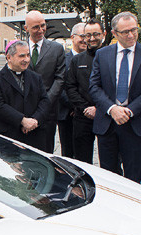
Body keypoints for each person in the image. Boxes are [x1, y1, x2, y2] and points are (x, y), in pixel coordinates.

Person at [89, 12, 141, 183]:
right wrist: (112, 109)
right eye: (125, 32)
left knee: (133, 175)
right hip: (107, 123)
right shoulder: (102, 54)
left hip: (134, 122)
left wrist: (129, 111)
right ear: (114, 33)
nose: (131, 35)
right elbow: (94, 86)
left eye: (134, 30)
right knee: (109, 176)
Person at [0, 40, 50, 149]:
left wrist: (34, 121)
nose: (26, 59)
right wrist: (22, 120)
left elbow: (45, 101)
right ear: (9, 57)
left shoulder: (35, 77)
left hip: (35, 135)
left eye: (28, 55)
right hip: (9, 136)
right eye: (21, 56)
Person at [25, 11, 66, 153]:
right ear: (26, 28)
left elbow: (60, 78)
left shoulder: (57, 49)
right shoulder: (19, 48)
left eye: (43, 25)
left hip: (48, 112)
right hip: (24, 112)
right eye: (36, 27)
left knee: (45, 153)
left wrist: (45, 103)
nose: (41, 30)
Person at [64, 19, 104, 164]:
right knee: (82, 162)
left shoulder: (111, 58)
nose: (91, 38)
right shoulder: (77, 60)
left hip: (106, 116)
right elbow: (71, 87)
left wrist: (99, 108)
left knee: (109, 163)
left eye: (96, 34)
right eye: (88, 35)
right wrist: (85, 108)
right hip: (82, 116)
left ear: (103, 34)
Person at [57, 22, 86, 158]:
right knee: (67, 155)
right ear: (73, 37)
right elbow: (59, 86)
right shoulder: (62, 60)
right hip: (66, 114)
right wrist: (75, 105)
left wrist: (83, 107)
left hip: (86, 115)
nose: (85, 39)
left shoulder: (94, 59)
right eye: (82, 36)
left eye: (88, 36)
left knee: (84, 155)